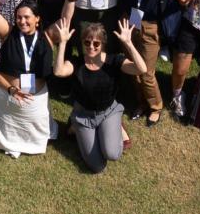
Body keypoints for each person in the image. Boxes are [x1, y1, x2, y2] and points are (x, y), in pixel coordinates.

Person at [50, 18, 147, 173]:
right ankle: (75, 126)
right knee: (97, 166)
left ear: (103, 44)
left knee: (113, 154)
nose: (91, 47)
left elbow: (141, 69)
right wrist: (62, 43)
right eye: (87, 42)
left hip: (108, 112)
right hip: (83, 115)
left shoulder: (114, 61)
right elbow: (58, 71)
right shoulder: (77, 63)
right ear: (82, 43)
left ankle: (116, 126)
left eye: (96, 43)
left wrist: (129, 43)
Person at [0, 1, 55, 158]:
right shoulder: (8, 33)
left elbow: (66, 20)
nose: (22, 21)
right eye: (18, 17)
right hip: (8, 98)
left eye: (27, 17)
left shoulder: (46, 36)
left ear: (37, 19)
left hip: (36, 100)